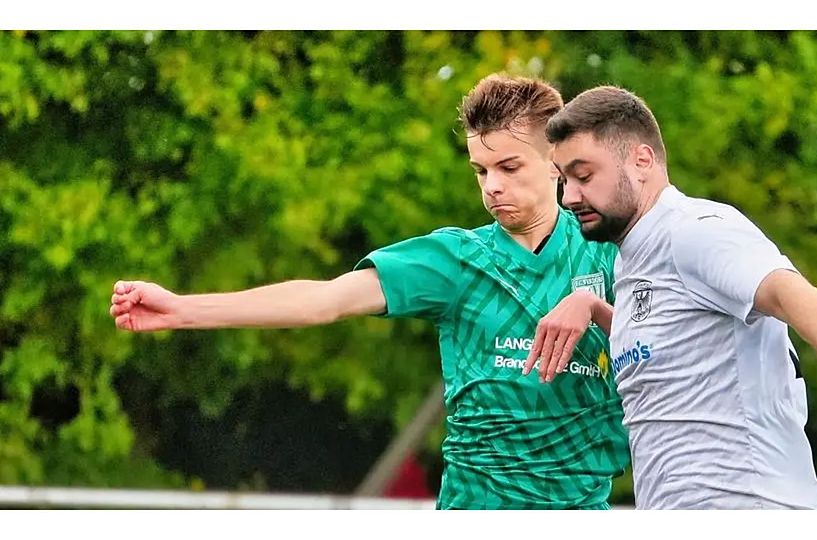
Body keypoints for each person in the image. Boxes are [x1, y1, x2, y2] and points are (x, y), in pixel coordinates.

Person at [110, 75, 629, 509]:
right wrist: (182, 308)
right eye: (481, 170)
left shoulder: (610, 252)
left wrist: (594, 308)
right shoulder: (457, 261)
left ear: (555, 162)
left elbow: (667, 338)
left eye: (508, 167)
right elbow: (325, 300)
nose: (491, 185)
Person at [523, 85, 817, 509]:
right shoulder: (632, 259)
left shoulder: (696, 230)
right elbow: (673, 337)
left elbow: (784, 289)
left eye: (584, 176)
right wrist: (594, 308)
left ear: (641, 161)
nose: (569, 197)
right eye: (564, 179)